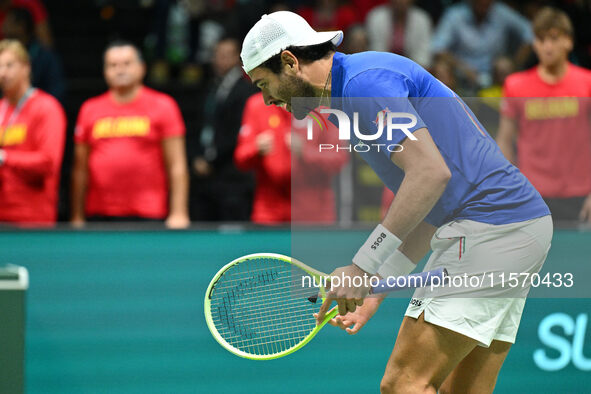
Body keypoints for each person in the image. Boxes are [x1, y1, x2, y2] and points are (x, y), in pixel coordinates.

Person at [241, 11, 551, 393]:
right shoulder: (346, 96)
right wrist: (374, 285)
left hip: (489, 229)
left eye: (263, 83)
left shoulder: (362, 86)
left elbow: (429, 175)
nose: (267, 99)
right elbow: (428, 204)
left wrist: (361, 266)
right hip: (518, 225)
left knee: (404, 384)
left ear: (290, 62)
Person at [71, 40, 189, 228]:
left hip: (149, 212)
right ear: (105, 71)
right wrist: (77, 216)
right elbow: (80, 169)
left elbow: (177, 165)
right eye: (113, 65)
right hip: (99, 213)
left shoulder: (164, 106)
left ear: (142, 68)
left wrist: (179, 212)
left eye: (127, 63)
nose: (120, 70)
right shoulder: (89, 109)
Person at [497, 7, 591, 224]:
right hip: (531, 194)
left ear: (568, 41)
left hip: (580, 193)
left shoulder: (587, 83)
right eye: (540, 39)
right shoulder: (515, 85)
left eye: (554, 38)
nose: (547, 46)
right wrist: (506, 189)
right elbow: (504, 140)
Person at [234, 92, 347, 224]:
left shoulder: (324, 106)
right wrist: (256, 148)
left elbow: (338, 158)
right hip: (269, 212)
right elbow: (240, 158)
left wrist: (305, 151)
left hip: (313, 214)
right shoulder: (257, 104)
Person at [188, 37, 256, 221]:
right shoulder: (209, 87)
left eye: (226, 55)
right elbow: (196, 126)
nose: (220, 59)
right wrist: (195, 157)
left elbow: (237, 133)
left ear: (237, 58)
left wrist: (212, 161)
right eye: (217, 55)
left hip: (231, 177)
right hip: (204, 177)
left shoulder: (246, 91)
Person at [0, 39, 65, 225]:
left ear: (26, 67)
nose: (3, 72)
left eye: (9, 65)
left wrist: (5, 158)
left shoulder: (47, 108)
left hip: (32, 218)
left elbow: (48, 162)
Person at [432, 0, 533, 90]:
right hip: (461, 73)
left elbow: (530, 33)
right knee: (442, 69)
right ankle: (448, 108)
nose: (483, 4)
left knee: (504, 65)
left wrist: (516, 63)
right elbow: (438, 49)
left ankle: (506, 107)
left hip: (494, 71)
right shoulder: (455, 15)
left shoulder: (501, 12)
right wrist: (464, 69)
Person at [2, 6, 65, 102]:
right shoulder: (2, 106)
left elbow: (57, 91)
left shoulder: (45, 57)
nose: (3, 26)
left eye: (8, 22)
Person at [366, 0, 433, 67]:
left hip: (413, 69)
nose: (400, 1)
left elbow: (422, 56)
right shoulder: (376, 17)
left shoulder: (422, 19)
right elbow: (377, 53)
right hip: (383, 67)